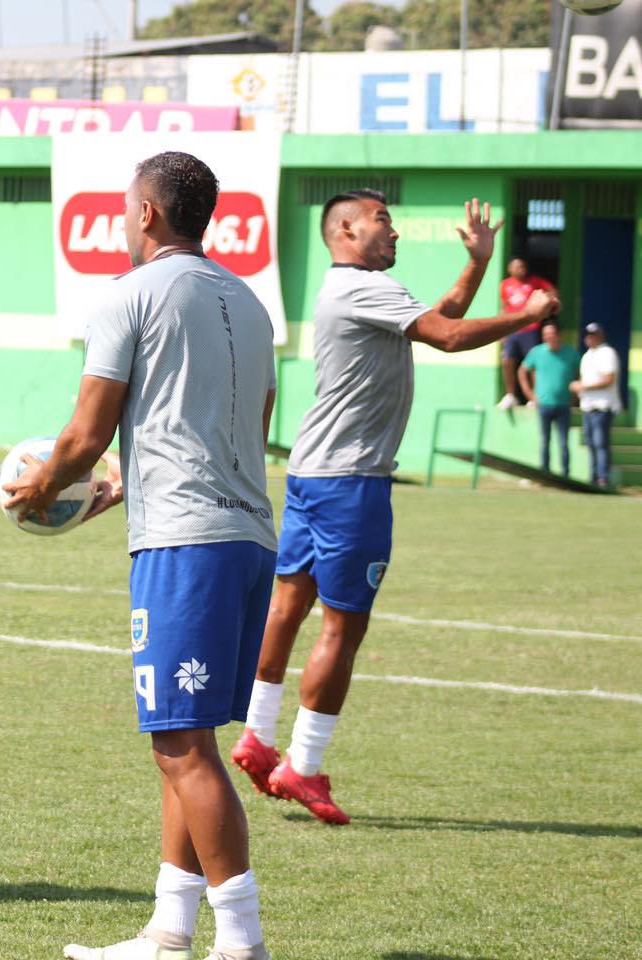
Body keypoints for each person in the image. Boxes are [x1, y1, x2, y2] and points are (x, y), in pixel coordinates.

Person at [5, 151, 278, 960]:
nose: (126, 222)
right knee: (182, 735)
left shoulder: (129, 295)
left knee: (181, 747)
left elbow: (85, 434)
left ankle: (242, 943)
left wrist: (42, 487)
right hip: (248, 536)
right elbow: (250, 425)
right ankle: (168, 932)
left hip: (184, 546)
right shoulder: (252, 304)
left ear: (148, 214)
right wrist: (134, 477)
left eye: (128, 211)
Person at [228, 191, 560, 826]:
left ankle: (257, 734)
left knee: (290, 604)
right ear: (347, 230)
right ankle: (302, 764)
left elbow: (440, 316)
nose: (395, 232)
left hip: (312, 469)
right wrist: (529, 314)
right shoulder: (361, 288)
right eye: (383, 220)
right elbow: (451, 335)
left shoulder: (352, 288)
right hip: (352, 482)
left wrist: (479, 262)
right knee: (342, 626)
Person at [520, 319, 582, 476]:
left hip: (563, 405)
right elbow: (522, 372)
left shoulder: (571, 353)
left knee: (563, 442)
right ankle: (545, 473)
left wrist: (576, 395)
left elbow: (581, 374)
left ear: (559, 335)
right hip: (544, 405)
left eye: (551, 333)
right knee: (544, 442)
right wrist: (530, 395)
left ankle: (565, 474)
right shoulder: (536, 352)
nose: (548, 337)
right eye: (545, 334)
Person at [497, 258, 555, 409]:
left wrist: (549, 306)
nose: (522, 268)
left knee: (532, 364)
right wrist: (501, 332)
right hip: (511, 329)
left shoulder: (535, 282)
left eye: (523, 265)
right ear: (510, 269)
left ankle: (535, 397)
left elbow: (552, 292)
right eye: (518, 266)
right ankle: (511, 395)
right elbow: (504, 308)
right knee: (508, 361)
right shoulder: (505, 285)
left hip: (530, 328)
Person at [572, 323, 623, 487]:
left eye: (593, 335)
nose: (589, 338)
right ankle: (593, 477)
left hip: (603, 406)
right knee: (591, 443)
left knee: (601, 443)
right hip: (588, 405)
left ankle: (603, 478)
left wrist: (583, 386)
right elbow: (586, 379)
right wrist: (578, 386)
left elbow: (609, 379)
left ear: (601, 336)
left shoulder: (607, 353)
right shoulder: (587, 355)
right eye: (587, 335)